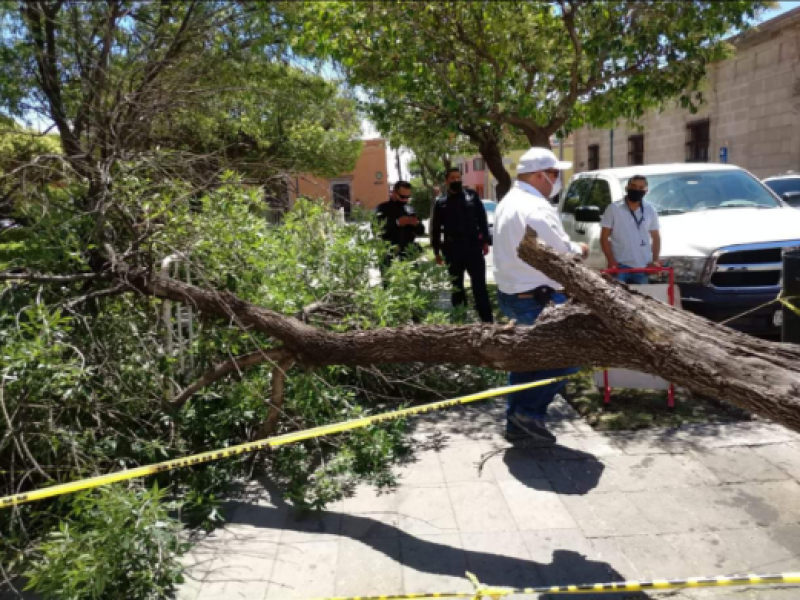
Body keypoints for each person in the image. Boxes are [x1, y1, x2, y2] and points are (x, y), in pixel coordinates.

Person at [493, 147, 588, 443]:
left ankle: (516, 421)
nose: (557, 180)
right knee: (570, 355)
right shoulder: (536, 206)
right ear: (539, 175)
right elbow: (561, 252)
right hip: (537, 297)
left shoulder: (509, 201)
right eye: (555, 174)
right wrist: (581, 250)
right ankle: (528, 413)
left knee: (526, 360)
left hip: (514, 293)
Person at [430, 168, 493, 323]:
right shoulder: (441, 202)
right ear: (447, 181)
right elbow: (435, 228)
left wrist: (485, 240)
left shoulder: (472, 196)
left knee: (479, 287)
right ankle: (461, 322)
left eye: (458, 177)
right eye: (452, 178)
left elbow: (482, 219)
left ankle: (488, 323)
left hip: (473, 248)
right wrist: (436, 251)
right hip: (453, 250)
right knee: (457, 288)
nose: (456, 180)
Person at [600, 175, 661, 284]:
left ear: (646, 191)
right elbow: (604, 237)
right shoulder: (614, 209)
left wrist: (655, 261)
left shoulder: (650, 210)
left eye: (641, 188)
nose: (637, 190)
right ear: (627, 188)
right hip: (620, 266)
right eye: (634, 186)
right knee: (617, 299)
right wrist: (611, 260)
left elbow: (656, 237)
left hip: (642, 267)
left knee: (642, 300)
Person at [374, 181, 425, 271]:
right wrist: (397, 223)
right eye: (402, 197)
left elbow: (421, 231)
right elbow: (376, 230)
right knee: (390, 284)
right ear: (393, 193)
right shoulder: (382, 208)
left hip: (409, 254)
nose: (405, 200)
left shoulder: (410, 209)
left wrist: (416, 224)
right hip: (389, 255)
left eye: (408, 197)